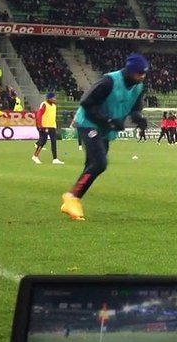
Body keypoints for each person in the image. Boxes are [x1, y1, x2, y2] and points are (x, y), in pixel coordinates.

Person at [60, 53, 149, 221]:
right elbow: (86, 103)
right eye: (139, 73)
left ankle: (71, 202)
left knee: (93, 166)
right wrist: (108, 120)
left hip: (105, 129)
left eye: (144, 73)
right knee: (100, 163)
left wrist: (139, 118)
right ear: (130, 71)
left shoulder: (138, 87)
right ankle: (72, 197)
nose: (142, 76)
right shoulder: (109, 81)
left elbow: (135, 108)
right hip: (88, 124)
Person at [31, 92, 64, 165]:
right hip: (45, 126)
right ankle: (35, 156)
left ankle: (55, 159)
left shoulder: (54, 106)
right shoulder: (44, 104)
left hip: (52, 126)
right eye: (54, 97)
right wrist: (40, 126)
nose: (55, 99)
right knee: (43, 141)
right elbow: (39, 115)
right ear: (50, 98)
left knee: (54, 142)